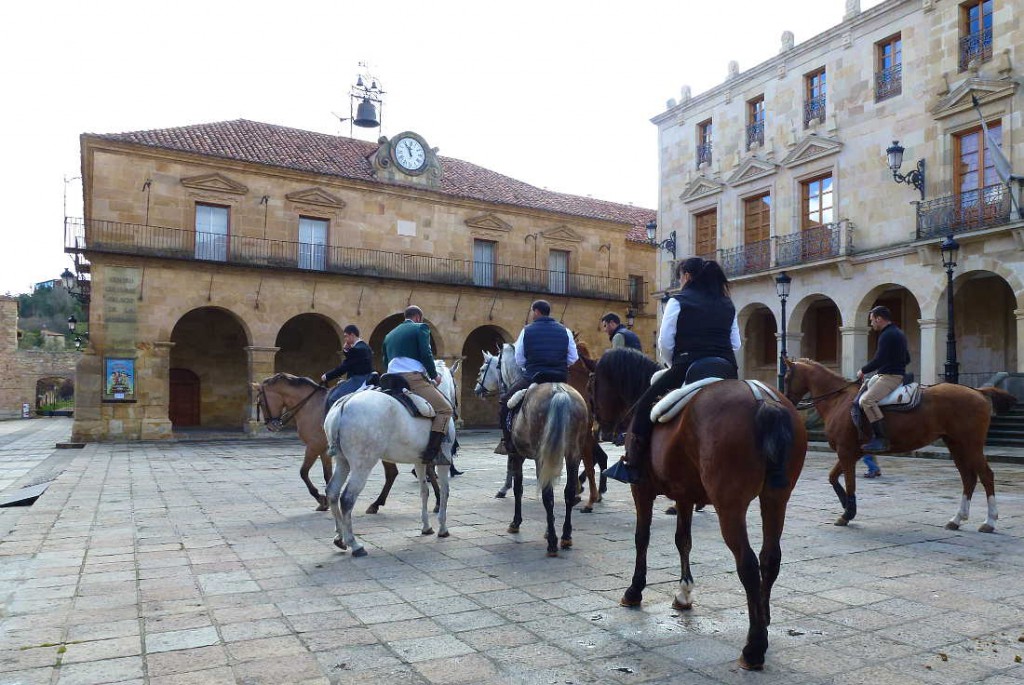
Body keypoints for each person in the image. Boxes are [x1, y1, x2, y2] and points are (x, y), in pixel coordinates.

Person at [606, 257, 740, 484]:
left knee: (643, 406)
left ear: (686, 276)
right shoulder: (727, 303)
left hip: (689, 366)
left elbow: (665, 342)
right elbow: (735, 343)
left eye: (680, 276)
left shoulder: (678, 301)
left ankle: (632, 464)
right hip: (726, 369)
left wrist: (672, 365)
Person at [499, 300, 579, 458]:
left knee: (505, 403)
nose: (531, 314)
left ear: (536, 312)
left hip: (533, 377)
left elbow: (519, 358)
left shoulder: (526, 331)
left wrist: (530, 366)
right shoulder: (566, 331)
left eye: (532, 312)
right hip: (561, 378)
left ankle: (508, 443)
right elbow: (573, 357)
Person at [381, 305, 454, 463]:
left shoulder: (389, 335)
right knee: (445, 409)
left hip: (391, 379)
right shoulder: (420, 328)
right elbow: (426, 354)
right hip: (412, 379)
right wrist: (434, 376)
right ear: (418, 318)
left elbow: (384, 361)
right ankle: (433, 453)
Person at [857, 305, 910, 453]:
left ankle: (881, 439)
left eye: (872, 320)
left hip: (890, 377)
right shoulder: (897, 332)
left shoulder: (887, 335)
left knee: (867, 400)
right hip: (888, 374)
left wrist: (863, 370)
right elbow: (907, 358)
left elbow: (879, 359)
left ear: (879, 319)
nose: (871, 323)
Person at [321, 324, 373, 409]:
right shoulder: (364, 346)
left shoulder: (356, 349)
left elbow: (344, 368)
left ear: (352, 335)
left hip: (358, 380)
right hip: (367, 377)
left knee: (332, 398)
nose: (345, 339)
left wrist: (327, 376)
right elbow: (354, 361)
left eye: (346, 336)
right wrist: (346, 351)